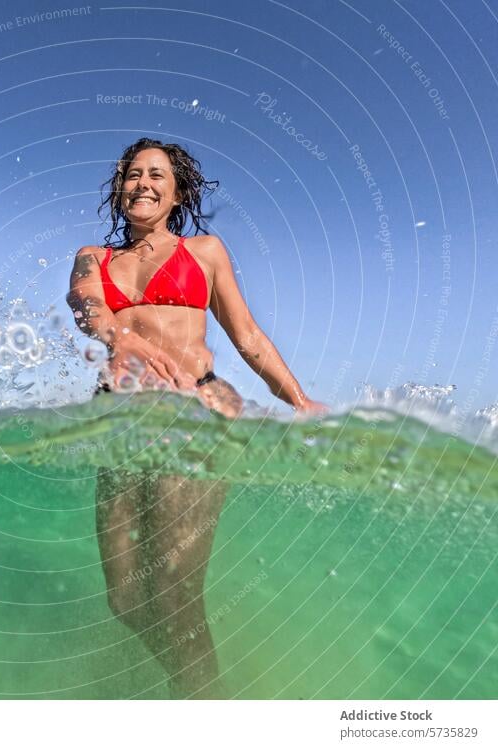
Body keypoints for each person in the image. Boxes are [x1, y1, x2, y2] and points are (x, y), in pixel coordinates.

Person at [66, 138, 327, 699]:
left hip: (192, 416)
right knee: (126, 599)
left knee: (173, 593)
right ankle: (198, 687)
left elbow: (249, 338)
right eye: (132, 174)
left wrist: (300, 402)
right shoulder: (94, 256)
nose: (143, 183)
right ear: (119, 187)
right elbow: (86, 303)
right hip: (119, 420)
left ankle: (203, 711)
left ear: (177, 190)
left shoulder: (204, 251)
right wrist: (119, 334)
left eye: (157, 174)